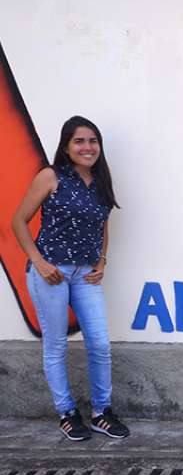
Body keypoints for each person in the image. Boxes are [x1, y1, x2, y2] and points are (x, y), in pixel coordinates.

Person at [11, 115, 130, 441]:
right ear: (66, 146)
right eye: (79, 141)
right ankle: (66, 413)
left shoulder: (101, 182)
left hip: (85, 275)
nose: (87, 147)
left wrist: (102, 262)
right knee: (56, 345)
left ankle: (101, 413)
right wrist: (39, 262)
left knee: (100, 343)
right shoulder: (51, 177)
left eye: (93, 141)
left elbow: (102, 226)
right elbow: (18, 221)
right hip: (51, 273)